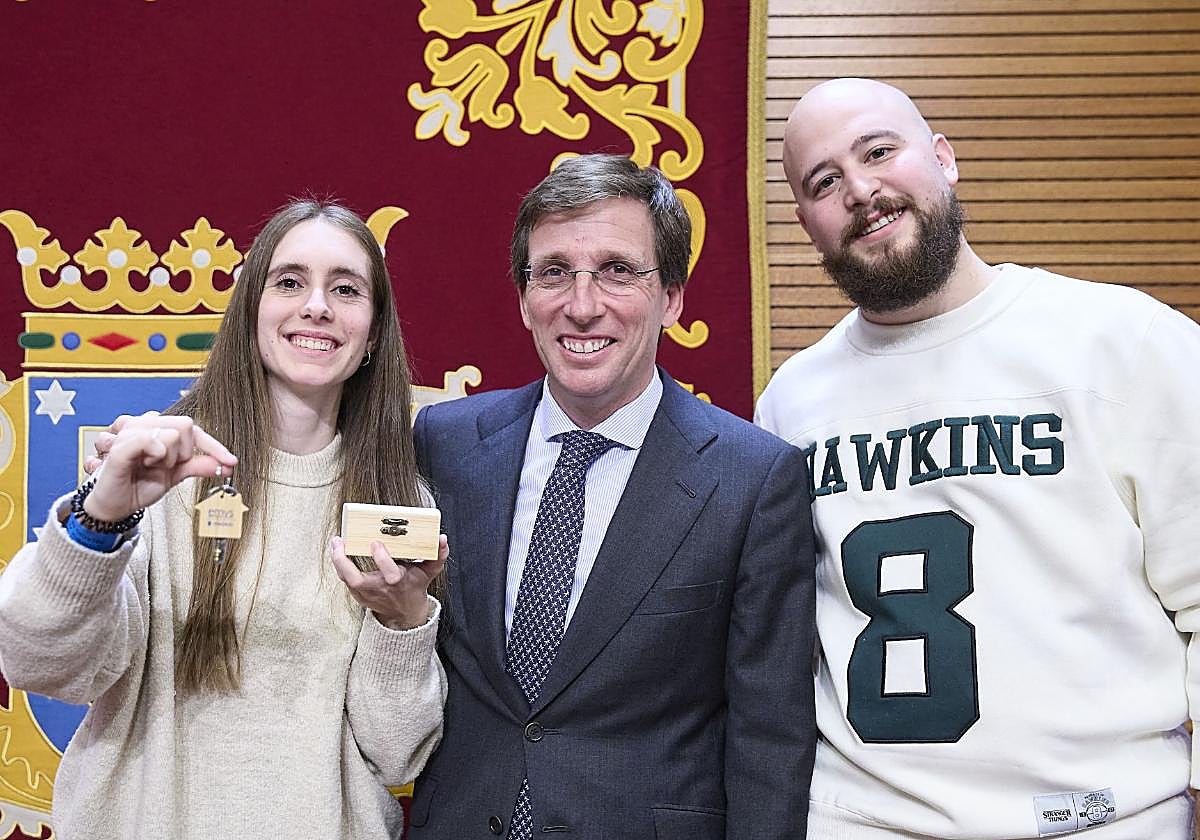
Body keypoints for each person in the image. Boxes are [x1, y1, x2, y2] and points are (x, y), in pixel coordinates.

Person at [756, 77, 1200, 839]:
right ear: (806, 222)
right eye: (824, 182)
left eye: (879, 151)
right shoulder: (789, 405)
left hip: (1107, 818)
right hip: (859, 821)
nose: (861, 189)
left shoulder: (1128, 344)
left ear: (944, 159)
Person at [0, 200, 448, 839]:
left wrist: (403, 620)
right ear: (252, 313)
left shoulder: (400, 507)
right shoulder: (161, 469)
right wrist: (101, 517)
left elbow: (398, 754)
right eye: (289, 282)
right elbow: (39, 663)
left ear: (373, 331)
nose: (316, 306)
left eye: (345, 289)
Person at [407, 153, 817, 838]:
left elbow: (770, 737)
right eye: (554, 272)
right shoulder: (446, 444)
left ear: (673, 298)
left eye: (618, 271)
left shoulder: (753, 479)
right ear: (523, 296)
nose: (582, 303)